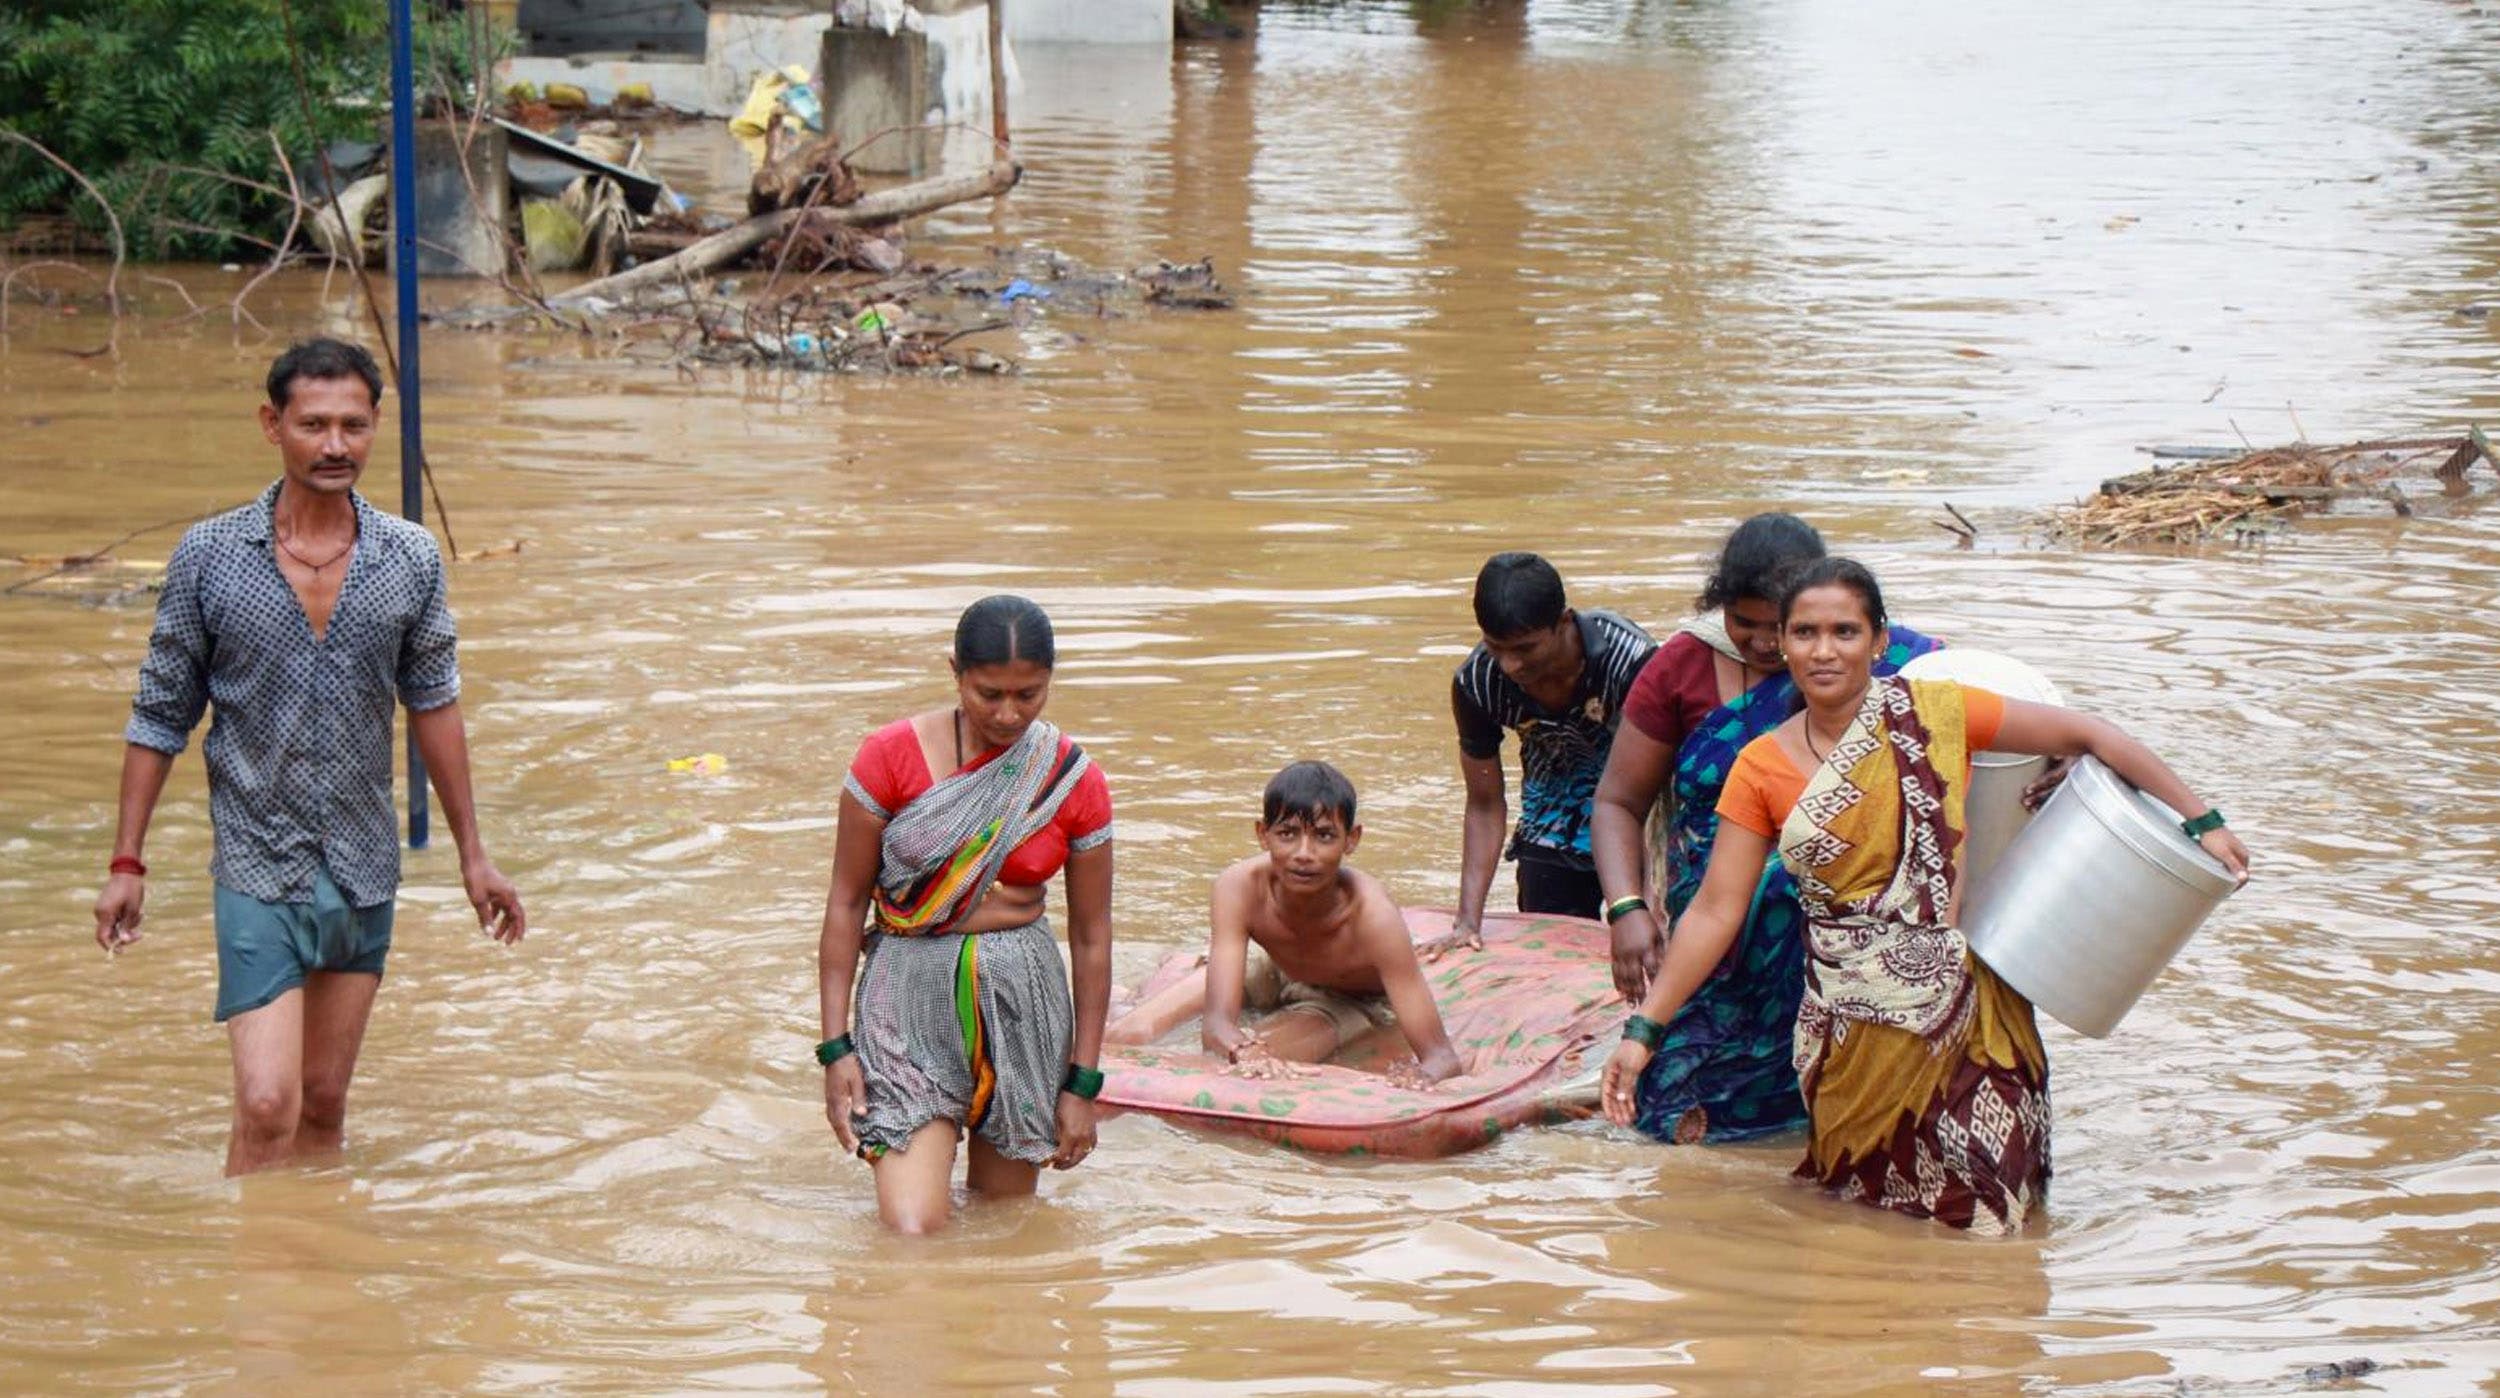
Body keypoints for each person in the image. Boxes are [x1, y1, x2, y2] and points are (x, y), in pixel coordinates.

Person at [1601, 558, 2250, 1234]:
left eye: (1845, 632)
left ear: (1881, 641)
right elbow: (1714, 911)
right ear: (1783, 644)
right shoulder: (1760, 767)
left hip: (1970, 1021)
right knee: (1864, 1224)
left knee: (1997, 1220)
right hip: (1851, 1041)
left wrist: (2202, 823)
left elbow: (2089, 732)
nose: (1824, 651)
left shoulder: (1938, 717)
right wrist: (1644, 1031)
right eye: (1805, 633)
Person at [91, 338, 528, 1177]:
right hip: (256, 865)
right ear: (272, 425)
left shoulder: (408, 557)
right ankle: (253, 1294)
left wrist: (475, 856)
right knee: (267, 1104)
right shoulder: (211, 556)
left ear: (374, 429)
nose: (336, 446)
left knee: (323, 1104)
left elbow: (433, 702)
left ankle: (311, 1283)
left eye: (354, 426)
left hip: (363, 866)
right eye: (314, 424)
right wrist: (126, 861)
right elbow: (159, 714)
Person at [1588, 514, 1939, 1144]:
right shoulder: (1681, 669)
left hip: (1849, 941)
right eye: (1739, 622)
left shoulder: (1904, 664)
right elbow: (1617, 800)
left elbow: (1997, 732)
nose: (1760, 644)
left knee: (1849, 1116)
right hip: (1716, 943)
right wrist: (1627, 906)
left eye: (1774, 625)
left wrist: (2052, 773)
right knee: (1674, 1115)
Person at [817, 595, 1115, 1234]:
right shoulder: (887, 757)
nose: (1009, 714)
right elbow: (845, 904)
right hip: (904, 1001)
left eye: (1029, 695)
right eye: (989, 695)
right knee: (912, 1231)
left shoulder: (1070, 778)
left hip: (1022, 1005)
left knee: (1005, 1225)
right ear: (955, 672)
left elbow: (1092, 937)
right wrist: (835, 1048)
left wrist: (1082, 1084)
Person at [1184, 762, 1465, 1087]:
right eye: (1287, 834)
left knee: (1254, 1070)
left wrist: (1415, 1080)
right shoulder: (1237, 887)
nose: (1304, 854)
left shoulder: (1374, 916)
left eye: (1324, 836)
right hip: (1275, 967)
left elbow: (1441, 1057)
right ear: (1263, 835)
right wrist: (1242, 1049)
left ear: (1351, 839)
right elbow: (1217, 1025)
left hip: (1348, 999)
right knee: (1135, 1030)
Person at [1439, 552, 1656, 951]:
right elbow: (1485, 804)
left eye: (1524, 649)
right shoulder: (1478, 682)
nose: (1509, 665)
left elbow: (1656, 786)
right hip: (1555, 822)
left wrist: (1646, 907)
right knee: (1548, 954)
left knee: (1650, 941)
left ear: (1565, 622)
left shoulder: (1629, 660)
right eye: (1495, 647)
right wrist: (1467, 922)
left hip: (1636, 812)